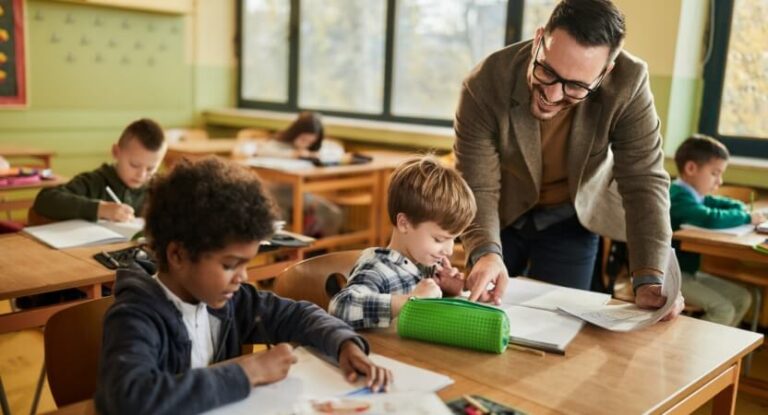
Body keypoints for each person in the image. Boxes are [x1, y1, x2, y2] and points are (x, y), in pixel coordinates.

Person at [95, 157, 391, 415]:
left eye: (245, 264)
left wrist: (344, 344)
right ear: (178, 255)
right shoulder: (136, 316)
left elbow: (296, 315)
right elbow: (128, 400)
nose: (242, 277)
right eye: (229, 265)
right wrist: (248, 373)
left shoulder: (231, 300)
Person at [454, 0, 683, 319]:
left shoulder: (629, 84)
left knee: (558, 324)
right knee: (481, 315)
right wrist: (485, 253)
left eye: (575, 86)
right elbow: (477, 185)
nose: (552, 95)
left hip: (570, 216)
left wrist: (650, 277)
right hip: (500, 213)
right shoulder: (486, 83)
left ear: (605, 72)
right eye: (546, 71)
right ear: (538, 40)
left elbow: (643, 181)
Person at [329, 156, 476, 329]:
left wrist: (449, 290)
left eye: (454, 239)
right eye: (439, 239)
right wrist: (409, 301)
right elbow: (340, 308)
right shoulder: (377, 268)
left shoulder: (426, 265)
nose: (449, 250)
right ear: (404, 224)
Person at [670, 135, 761, 325]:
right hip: (667, 277)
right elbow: (710, 217)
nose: (719, 181)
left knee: (742, 297)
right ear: (691, 168)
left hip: (687, 272)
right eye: (715, 173)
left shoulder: (695, 195)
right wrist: (747, 217)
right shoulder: (677, 197)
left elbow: (718, 203)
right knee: (723, 309)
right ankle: (695, 352)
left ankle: (717, 349)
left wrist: (740, 208)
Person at [33, 118, 167, 222]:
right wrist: (99, 209)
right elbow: (45, 200)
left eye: (151, 168)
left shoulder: (158, 190)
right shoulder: (94, 182)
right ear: (116, 152)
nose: (142, 175)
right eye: (134, 165)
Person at [235, 111, 343, 238]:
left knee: (333, 213)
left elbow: (336, 149)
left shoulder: (311, 148)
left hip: (299, 191)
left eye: (310, 142)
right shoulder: (278, 143)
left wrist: (314, 154)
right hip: (274, 192)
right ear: (295, 132)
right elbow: (261, 151)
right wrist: (294, 154)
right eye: (303, 139)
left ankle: (319, 248)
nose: (306, 144)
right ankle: (288, 251)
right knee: (283, 216)